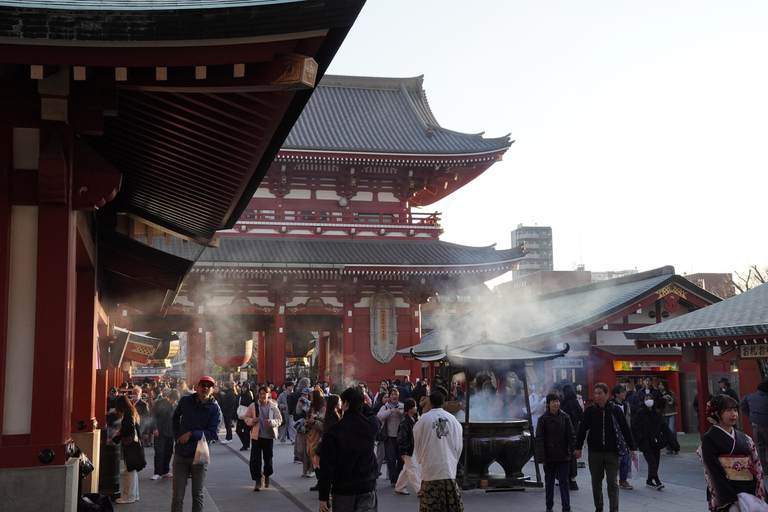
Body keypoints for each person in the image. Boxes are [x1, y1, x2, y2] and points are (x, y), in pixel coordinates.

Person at [574, 382, 637, 512]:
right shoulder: (590, 410)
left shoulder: (615, 410)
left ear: (607, 395)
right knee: (596, 482)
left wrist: (632, 448)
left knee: (612, 482)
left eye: (600, 393)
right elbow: (582, 430)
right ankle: (599, 507)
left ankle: (614, 508)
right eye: (595, 393)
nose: (597, 396)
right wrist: (578, 447)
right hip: (595, 452)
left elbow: (625, 430)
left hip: (612, 452)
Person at [317, 386, 380, 512]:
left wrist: (323, 496)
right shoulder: (371, 425)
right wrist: (362, 404)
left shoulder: (333, 431)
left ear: (345, 404)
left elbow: (327, 466)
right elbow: (373, 416)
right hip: (367, 484)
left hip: (343, 488)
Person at [698, 394, 766, 511]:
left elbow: (757, 467)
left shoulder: (745, 438)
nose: (733, 414)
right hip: (727, 492)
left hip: (749, 489)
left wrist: (759, 491)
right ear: (716, 413)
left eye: (735, 410)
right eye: (728, 410)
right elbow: (713, 471)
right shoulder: (709, 438)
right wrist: (731, 498)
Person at [171, 376, 221, 512]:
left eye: (209, 386)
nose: (205, 388)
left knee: (197, 494)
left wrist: (192, 434)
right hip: (181, 453)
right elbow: (175, 417)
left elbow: (213, 433)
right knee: (177, 494)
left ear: (212, 390)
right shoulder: (186, 401)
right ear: (196, 387)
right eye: (203, 385)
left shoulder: (214, 408)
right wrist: (178, 435)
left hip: (200, 455)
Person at [413, 391, 464, 512]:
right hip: (448, 463)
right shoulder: (452, 419)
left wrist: (420, 457)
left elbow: (417, 440)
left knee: (431, 502)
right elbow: (458, 443)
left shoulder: (423, 419)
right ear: (443, 402)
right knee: (450, 500)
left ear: (430, 403)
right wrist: (454, 459)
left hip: (430, 463)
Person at [631, 389, 680, 491]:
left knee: (655, 463)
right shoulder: (640, 413)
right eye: (646, 399)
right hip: (645, 443)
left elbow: (665, 429)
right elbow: (635, 428)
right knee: (652, 462)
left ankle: (649, 480)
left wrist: (674, 445)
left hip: (656, 442)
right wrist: (640, 439)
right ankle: (657, 481)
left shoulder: (657, 414)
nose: (649, 401)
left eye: (650, 399)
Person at [536, 392, 576, 512]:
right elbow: (539, 439)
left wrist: (574, 450)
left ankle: (566, 507)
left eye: (557, 401)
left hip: (564, 454)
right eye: (553, 402)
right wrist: (541, 456)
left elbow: (571, 435)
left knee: (564, 481)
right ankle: (549, 506)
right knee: (549, 482)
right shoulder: (543, 419)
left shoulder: (565, 417)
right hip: (549, 456)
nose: (556, 404)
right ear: (548, 404)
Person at [244, 385, 282, 491]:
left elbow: (279, 419)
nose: (262, 396)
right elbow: (246, 417)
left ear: (268, 394)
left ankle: (267, 476)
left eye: (264, 394)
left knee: (268, 459)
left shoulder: (273, 406)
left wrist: (271, 422)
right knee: (255, 460)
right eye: (260, 394)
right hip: (256, 436)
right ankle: (257, 481)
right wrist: (252, 421)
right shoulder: (253, 406)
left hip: (268, 436)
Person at [111, 394, 143, 504]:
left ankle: (128, 496)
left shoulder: (128, 413)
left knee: (129, 471)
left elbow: (129, 427)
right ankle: (134, 494)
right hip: (135, 445)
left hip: (131, 445)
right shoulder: (132, 411)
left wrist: (119, 433)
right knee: (132, 471)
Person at [740, 381, 768, 479]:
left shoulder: (749, 397)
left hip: (755, 425)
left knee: (759, 447)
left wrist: (751, 415)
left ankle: (764, 468)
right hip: (766, 425)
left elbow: (742, 404)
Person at [378, 388, 405, 487]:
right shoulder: (385, 407)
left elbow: (408, 417)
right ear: (389, 396)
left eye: (396, 394)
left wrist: (401, 414)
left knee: (401, 459)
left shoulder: (402, 406)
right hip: (389, 437)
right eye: (392, 394)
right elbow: (379, 417)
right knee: (391, 459)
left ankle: (398, 477)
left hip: (400, 437)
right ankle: (394, 480)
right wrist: (390, 411)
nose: (394, 396)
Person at [395, 398, 421, 496]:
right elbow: (402, 438)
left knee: (407, 468)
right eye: (414, 406)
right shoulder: (405, 421)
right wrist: (403, 451)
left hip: (411, 448)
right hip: (408, 449)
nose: (416, 407)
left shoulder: (411, 419)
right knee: (413, 468)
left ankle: (400, 487)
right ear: (410, 408)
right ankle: (420, 489)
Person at [150, 388, 178, 480]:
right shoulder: (159, 403)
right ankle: (157, 472)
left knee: (168, 452)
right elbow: (153, 416)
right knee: (159, 452)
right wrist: (154, 428)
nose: (173, 401)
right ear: (168, 397)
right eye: (173, 399)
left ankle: (165, 471)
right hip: (160, 431)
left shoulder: (175, 406)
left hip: (171, 432)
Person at [609, 385, 633, 490]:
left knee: (626, 458)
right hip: (614, 434)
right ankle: (613, 480)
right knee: (616, 459)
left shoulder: (626, 404)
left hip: (625, 433)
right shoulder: (611, 405)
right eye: (622, 392)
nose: (624, 394)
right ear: (616, 394)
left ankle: (623, 480)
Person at [560, 384, 583, 491]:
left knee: (566, 455)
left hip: (566, 432)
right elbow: (581, 416)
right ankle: (572, 479)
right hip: (575, 430)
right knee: (572, 455)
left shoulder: (566, 403)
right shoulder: (575, 402)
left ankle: (568, 478)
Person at [294, 387, 315, 477]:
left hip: (309, 431)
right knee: (300, 451)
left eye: (306, 395)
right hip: (300, 430)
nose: (304, 396)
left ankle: (311, 469)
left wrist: (304, 409)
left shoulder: (311, 406)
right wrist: (300, 408)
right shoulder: (298, 406)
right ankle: (305, 468)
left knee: (308, 452)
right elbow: (295, 417)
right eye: (303, 394)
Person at [657, 380, 679, 455]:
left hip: (671, 413)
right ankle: (669, 448)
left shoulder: (671, 393)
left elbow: (676, 403)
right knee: (666, 432)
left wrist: (670, 399)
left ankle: (675, 447)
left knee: (672, 431)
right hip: (663, 415)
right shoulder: (658, 394)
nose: (660, 386)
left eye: (662, 385)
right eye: (660, 385)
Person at [236, 382, 255, 451]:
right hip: (240, 415)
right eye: (242, 387)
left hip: (247, 414)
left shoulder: (249, 395)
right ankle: (245, 443)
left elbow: (250, 404)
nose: (243, 389)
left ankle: (245, 445)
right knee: (238, 430)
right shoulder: (240, 395)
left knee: (246, 430)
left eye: (245, 387)